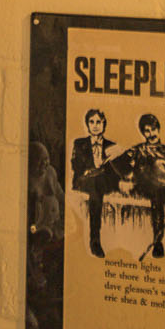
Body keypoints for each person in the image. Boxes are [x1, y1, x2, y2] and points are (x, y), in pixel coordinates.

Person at [124, 113, 165, 259]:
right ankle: (158, 243)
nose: (151, 134)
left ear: (158, 129)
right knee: (158, 195)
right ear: (143, 133)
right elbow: (127, 169)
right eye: (147, 131)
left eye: (153, 129)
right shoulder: (138, 150)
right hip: (147, 186)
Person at [69, 108, 121, 258]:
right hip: (85, 181)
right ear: (87, 124)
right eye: (91, 122)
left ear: (104, 124)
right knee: (95, 185)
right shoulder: (79, 143)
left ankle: (95, 240)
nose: (95, 125)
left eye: (98, 122)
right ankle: (95, 240)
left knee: (98, 183)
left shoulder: (112, 145)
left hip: (103, 181)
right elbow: (76, 165)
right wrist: (88, 171)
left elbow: (115, 172)